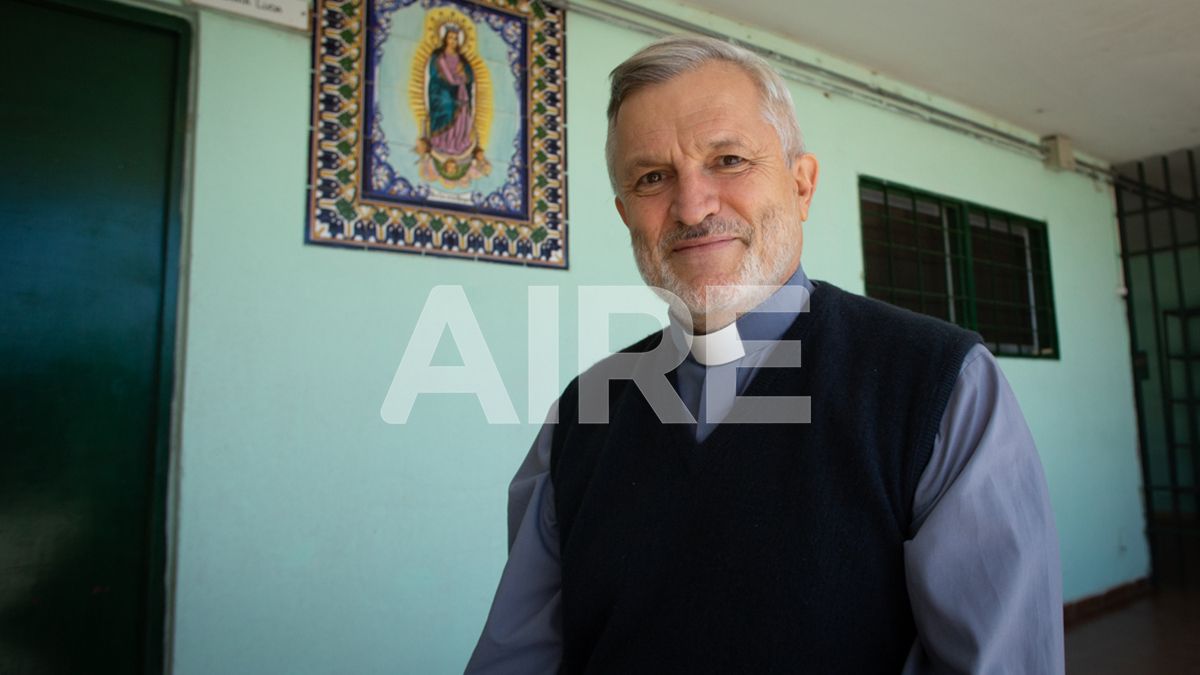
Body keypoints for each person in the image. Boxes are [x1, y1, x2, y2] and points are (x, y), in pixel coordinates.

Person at [466, 35, 1064, 674]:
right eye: (652, 178)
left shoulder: (938, 388)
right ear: (625, 214)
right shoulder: (580, 418)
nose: (692, 206)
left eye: (728, 160)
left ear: (802, 185)